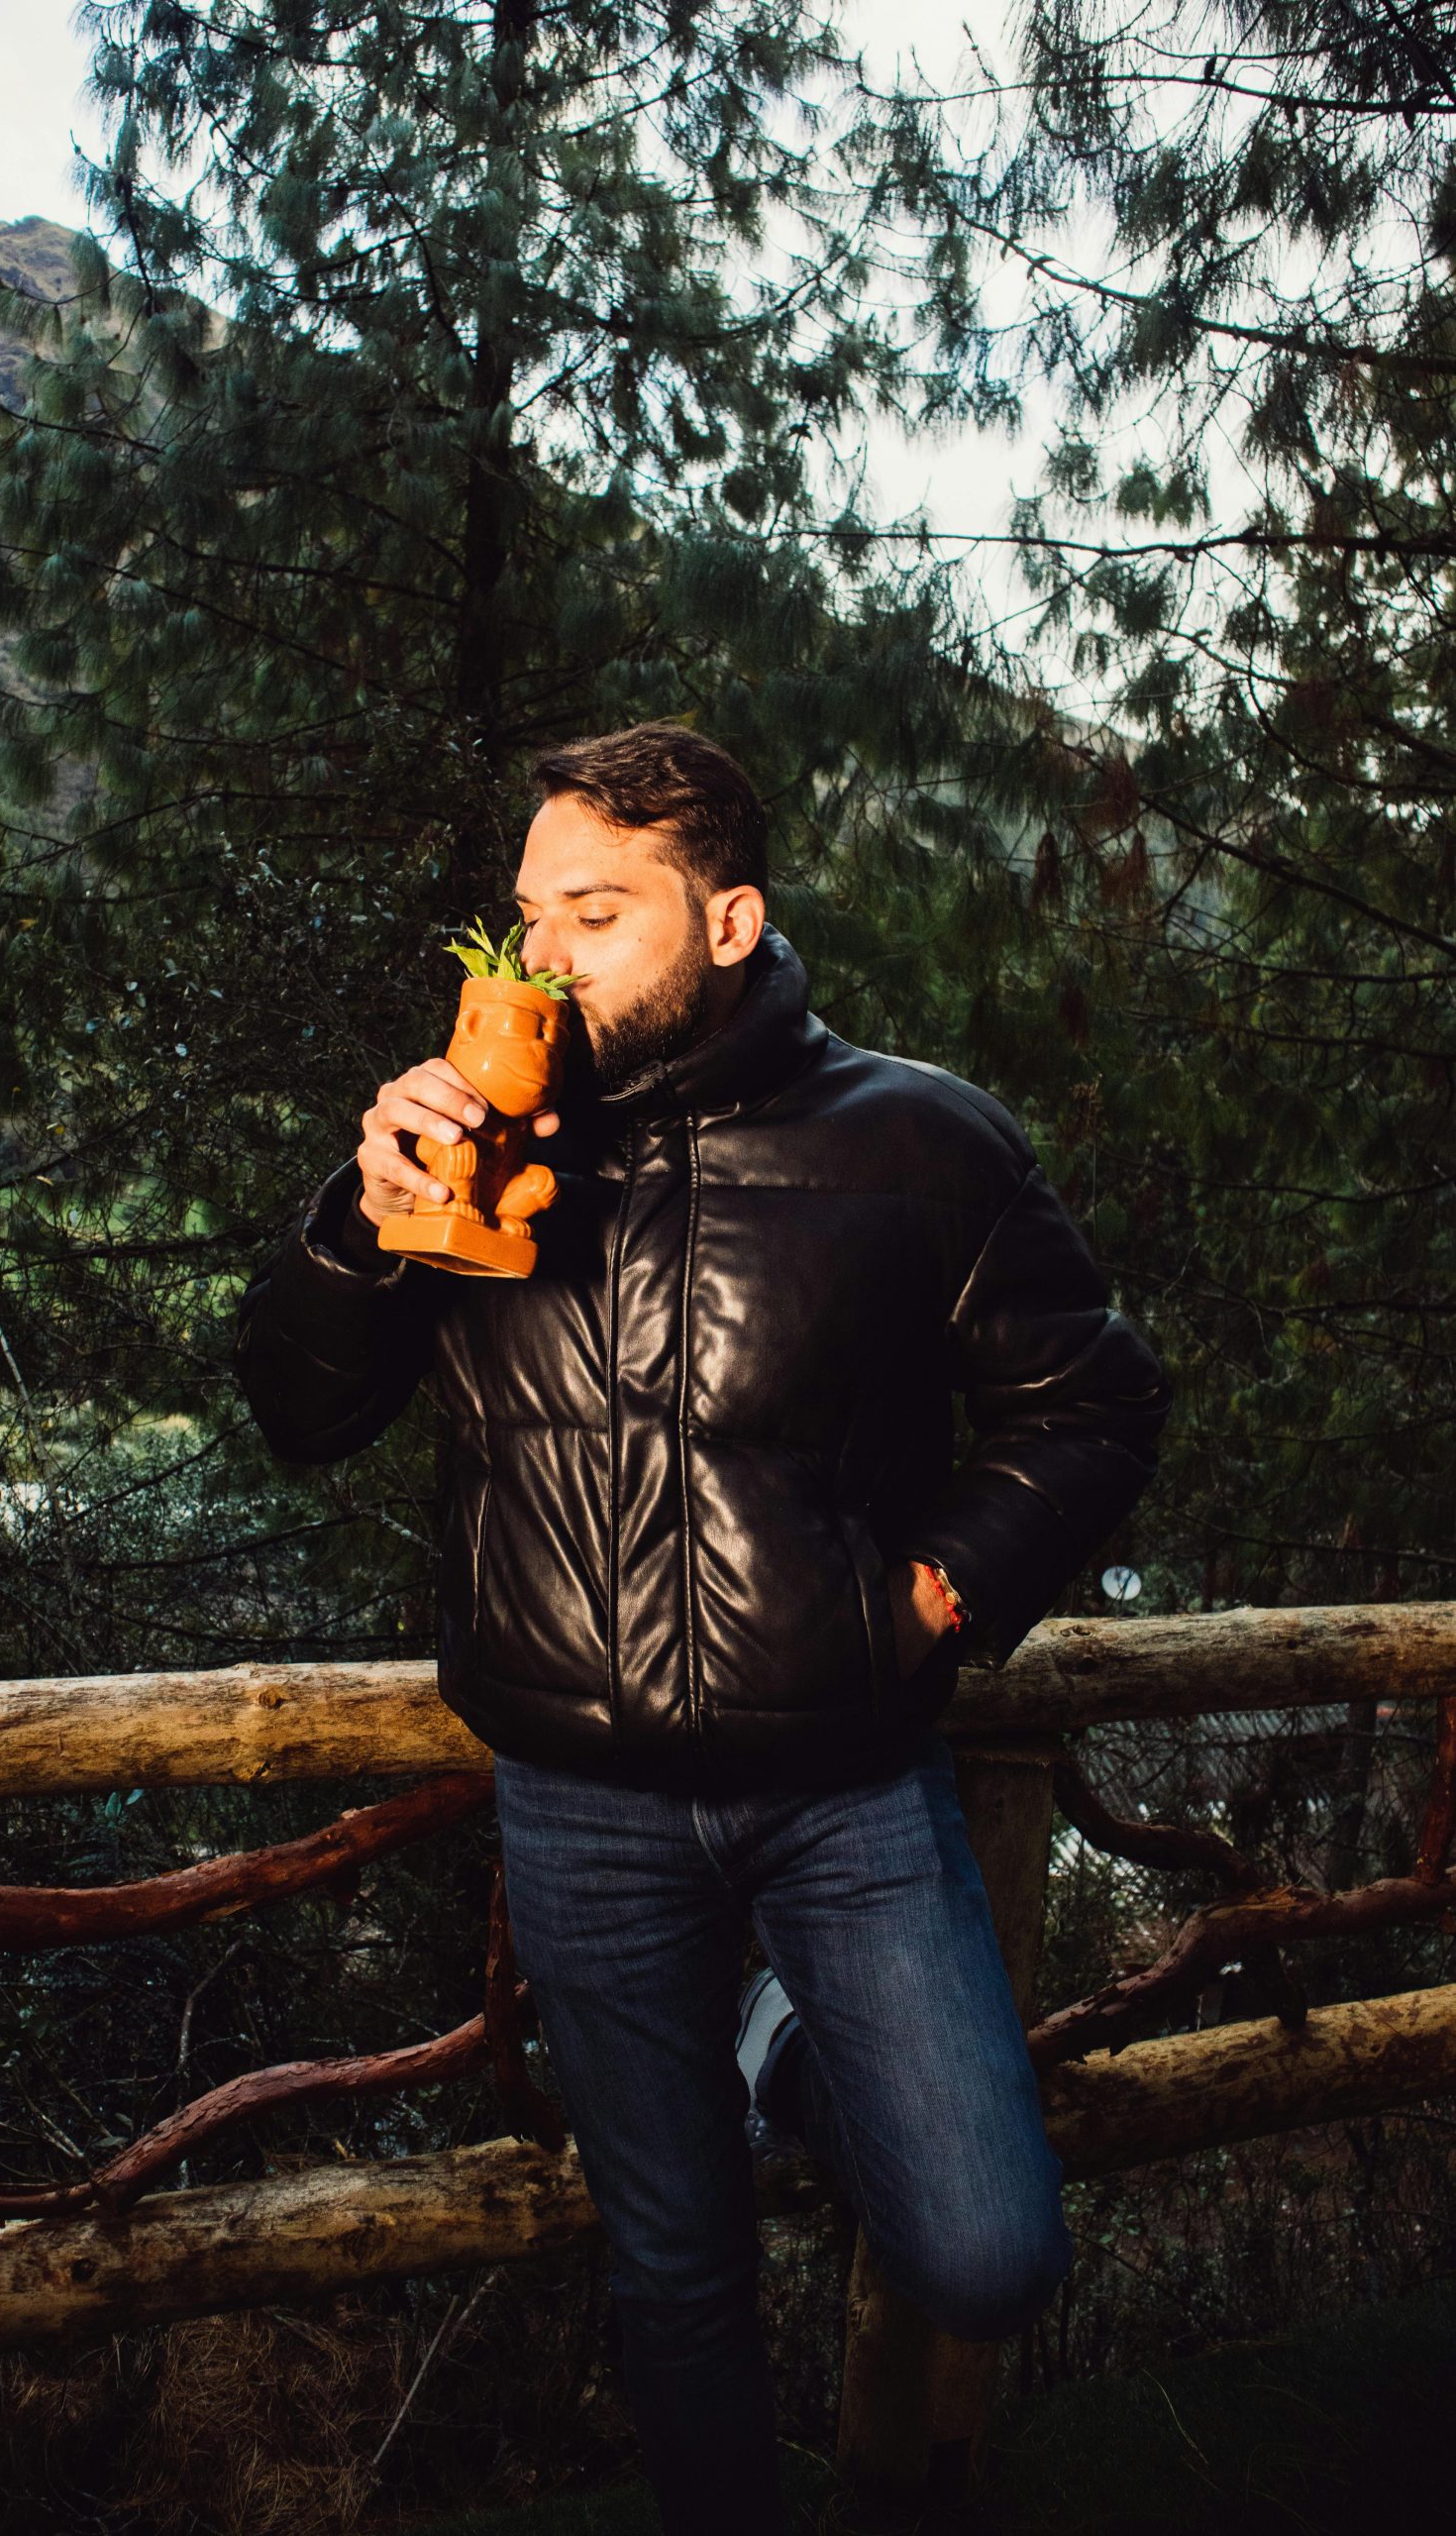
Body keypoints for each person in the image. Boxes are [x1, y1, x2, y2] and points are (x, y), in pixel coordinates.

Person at [235, 722, 1174, 2534]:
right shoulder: (470, 1151)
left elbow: (1096, 1404)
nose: (543, 959)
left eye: (600, 912)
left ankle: (779, 2040)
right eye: (527, 918)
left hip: (851, 1781)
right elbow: (298, 1408)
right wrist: (361, 1220)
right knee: (677, 2277)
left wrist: (930, 1598)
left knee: (986, 2249)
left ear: (729, 920)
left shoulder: (918, 1141)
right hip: (578, 1804)